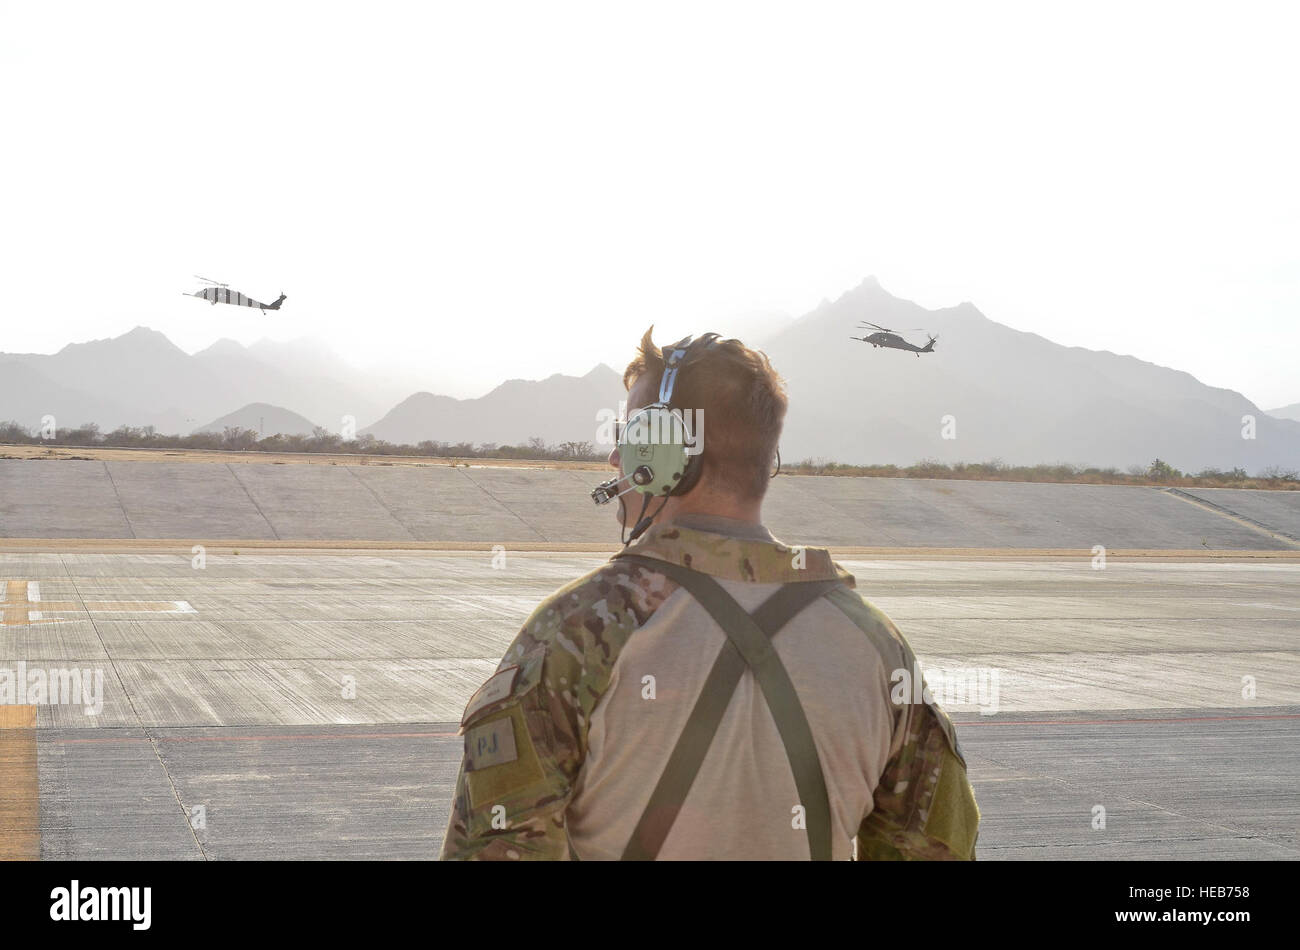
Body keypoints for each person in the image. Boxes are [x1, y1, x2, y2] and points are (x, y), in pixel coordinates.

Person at [438, 328, 979, 860]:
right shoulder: (879, 649)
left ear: (663, 452)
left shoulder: (577, 632)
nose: (613, 462)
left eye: (628, 438)